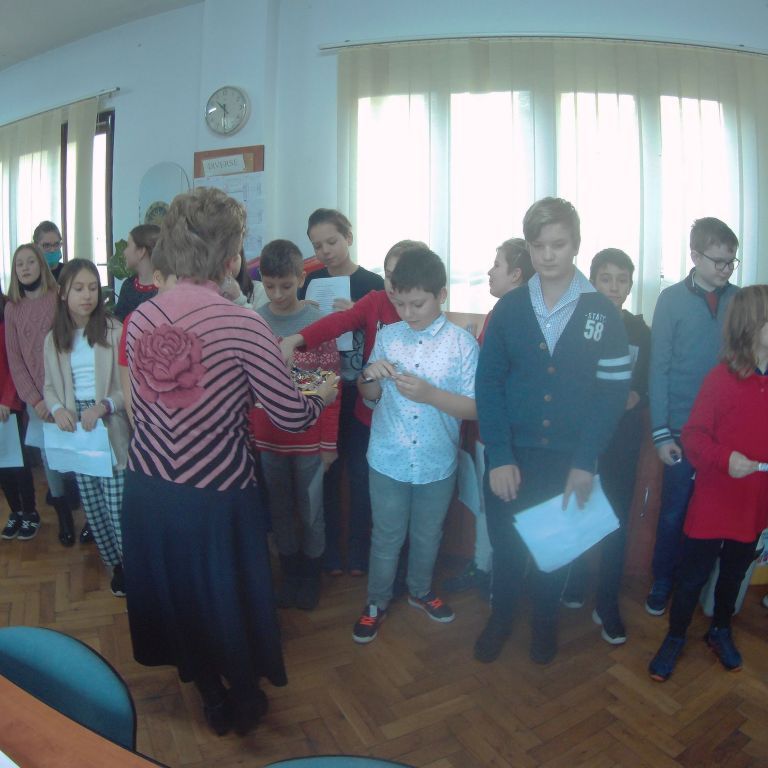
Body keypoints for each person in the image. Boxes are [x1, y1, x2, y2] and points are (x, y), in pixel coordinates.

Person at [121, 187, 337, 737]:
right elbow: (290, 416)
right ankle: (242, 699)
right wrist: (321, 393)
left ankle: (209, 694)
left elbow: (140, 404)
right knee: (226, 598)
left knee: (179, 595)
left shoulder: (140, 318)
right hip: (216, 493)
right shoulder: (243, 323)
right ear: (232, 256)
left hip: (148, 487)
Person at [474, 197, 630, 665]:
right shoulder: (509, 308)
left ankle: (545, 623)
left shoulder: (602, 312)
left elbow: (610, 396)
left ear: (576, 244)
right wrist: (500, 454)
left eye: (558, 244)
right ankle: (500, 618)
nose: (547, 255)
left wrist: (585, 462)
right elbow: (488, 384)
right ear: (528, 247)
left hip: (568, 460)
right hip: (511, 454)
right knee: (506, 548)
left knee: (554, 551)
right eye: (538, 245)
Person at [352, 246, 479, 644]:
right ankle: (376, 602)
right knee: (386, 535)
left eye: (417, 304)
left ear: (441, 295)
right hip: (388, 457)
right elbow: (369, 394)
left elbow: (475, 408)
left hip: (435, 460)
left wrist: (430, 395)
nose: (407, 312)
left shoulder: (462, 344)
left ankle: (420, 591)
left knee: (428, 534)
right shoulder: (389, 337)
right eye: (400, 303)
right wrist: (368, 376)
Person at [281, 240, 423, 577]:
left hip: (408, 423)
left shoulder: (422, 309)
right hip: (368, 415)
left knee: (396, 496)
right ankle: (358, 556)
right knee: (359, 484)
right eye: (387, 275)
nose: (392, 285)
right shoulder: (375, 301)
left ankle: (395, 564)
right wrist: (297, 339)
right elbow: (337, 323)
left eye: (400, 276)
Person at [648, 285, 768, 681]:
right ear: (751, 327)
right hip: (715, 500)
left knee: (733, 575)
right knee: (692, 576)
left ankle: (720, 629)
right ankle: (675, 635)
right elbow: (694, 436)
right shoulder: (721, 379)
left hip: (754, 504)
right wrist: (725, 459)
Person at [646, 218, 740, 616]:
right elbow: (659, 369)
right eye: (719, 261)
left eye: (731, 261)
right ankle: (662, 579)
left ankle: (696, 584)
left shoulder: (740, 300)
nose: (726, 269)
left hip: (725, 433)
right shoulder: (670, 300)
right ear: (695, 256)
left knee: (714, 514)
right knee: (674, 511)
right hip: (681, 431)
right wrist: (661, 433)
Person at [560, 248, 651, 644]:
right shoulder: (577, 322)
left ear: (630, 286)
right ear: (592, 282)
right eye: (606, 279)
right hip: (579, 437)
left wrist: (636, 395)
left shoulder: (640, 332)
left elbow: (646, 384)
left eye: (622, 280)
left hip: (621, 438)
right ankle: (577, 577)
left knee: (614, 518)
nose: (614, 287)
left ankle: (608, 601)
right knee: (577, 509)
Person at [250, 239, 340, 611]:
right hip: (268, 439)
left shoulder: (316, 323)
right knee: (280, 510)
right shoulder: (254, 320)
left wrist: (328, 443)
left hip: (310, 440)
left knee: (312, 511)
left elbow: (331, 385)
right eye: (270, 286)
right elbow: (249, 385)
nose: (277, 294)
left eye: (285, 286)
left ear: (301, 278)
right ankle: (289, 574)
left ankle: (311, 576)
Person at [444, 237, 534, 595]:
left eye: (497, 265)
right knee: (489, 506)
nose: (489, 272)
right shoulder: (504, 311)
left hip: (500, 433)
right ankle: (485, 569)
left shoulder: (514, 313)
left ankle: (498, 577)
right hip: (493, 429)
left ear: (516, 274)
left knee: (500, 508)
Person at [298, 209, 385, 575]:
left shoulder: (373, 284)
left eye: (331, 242)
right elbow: (300, 332)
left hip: (359, 387)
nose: (325, 251)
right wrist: (306, 311)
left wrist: (357, 315)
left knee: (361, 472)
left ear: (348, 237)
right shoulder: (310, 281)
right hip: (319, 386)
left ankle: (360, 552)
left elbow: (386, 333)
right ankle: (330, 551)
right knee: (326, 471)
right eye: (317, 246)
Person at [43, 259, 130, 597]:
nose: (87, 295)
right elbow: (50, 387)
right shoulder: (53, 339)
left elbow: (127, 388)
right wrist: (57, 409)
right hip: (76, 431)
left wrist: (104, 405)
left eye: (93, 288)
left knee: (118, 507)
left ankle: (132, 565)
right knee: (93, 509)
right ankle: (116, 566)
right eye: (78, 288)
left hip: (108, 424)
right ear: (63, 293)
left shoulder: (113, 330)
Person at [4, 243, 85, 546]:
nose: (25, 268)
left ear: (41, 265)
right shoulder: (13, 309)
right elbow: (15, 361)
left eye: (30, 262)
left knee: (77, 451)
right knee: (49, 457)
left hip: (69, 391)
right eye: (19, 264)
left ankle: (91, 515)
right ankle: (63, 515)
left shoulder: (57, 299)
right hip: (37, 400)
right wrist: (36, 400)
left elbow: (74, 344)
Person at [118, 241, 178, 427]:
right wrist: (138, 428)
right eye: (179, 281)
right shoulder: (135, 321)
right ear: (158, 278)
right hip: (149, 426)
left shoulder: (195, 320)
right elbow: (128, 385)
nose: (188, 290)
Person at [0, 281, 39, 542]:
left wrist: (7, 400)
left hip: (8, 405)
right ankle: (14, 511)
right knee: (1, 465)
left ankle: (30, 512)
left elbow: (15, 364)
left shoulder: (6, 317)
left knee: (18, 463)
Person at [113, 225, 160, 322]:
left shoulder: (166, 288)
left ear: (141, 251)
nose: (124, 252)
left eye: (128, 245)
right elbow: (119, 324)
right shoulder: (128, 286)